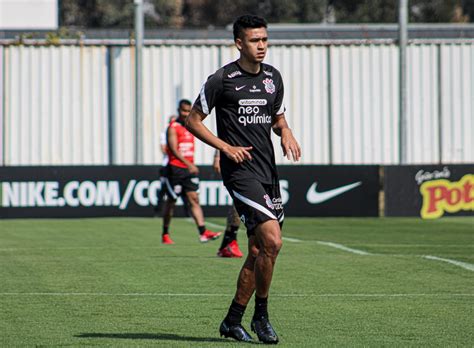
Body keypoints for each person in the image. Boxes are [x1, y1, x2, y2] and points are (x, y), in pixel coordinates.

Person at [186, 15, 301, 344]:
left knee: (259, 249)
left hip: (269, 172)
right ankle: (262, 317)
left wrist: (287, 133)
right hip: (240, 173)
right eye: (255, 40)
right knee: (273, 241)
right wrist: (224, 148)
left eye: (264, 39)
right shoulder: (222, 80)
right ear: (239, 43)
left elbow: (278, 117)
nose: (262, 46)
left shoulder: (273, 78)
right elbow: (194, 121)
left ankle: (232, 320)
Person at [161, 99, 221, 244]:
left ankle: (203, 232)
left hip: (188, 170)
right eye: (183, 111)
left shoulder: (191, 126)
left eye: (188, 111)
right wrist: (189, 164)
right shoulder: (173, 127)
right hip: (175, 169)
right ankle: (165, 232)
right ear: (178, 110)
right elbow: (173, 150)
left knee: (194, 199)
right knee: (171, 202)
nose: (186, 114)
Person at [213, 150, 243, 258]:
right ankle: (230, 242)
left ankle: (227, 243)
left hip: (254, 162)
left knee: (239, 202)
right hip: (236, 160)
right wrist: (217, 157)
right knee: (239, 200)